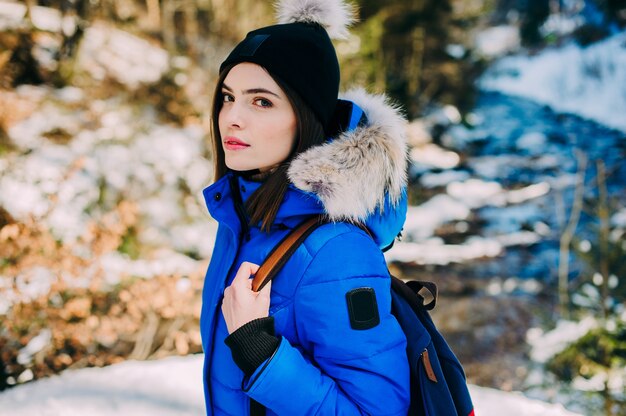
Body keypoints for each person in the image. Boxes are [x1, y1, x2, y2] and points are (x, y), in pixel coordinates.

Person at [200, 0, 410, 414]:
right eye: (228, 97)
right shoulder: (245, 216)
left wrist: (259, 350)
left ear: (305, 117)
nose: (231, 118)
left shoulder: (336, 251)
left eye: (261, 101)